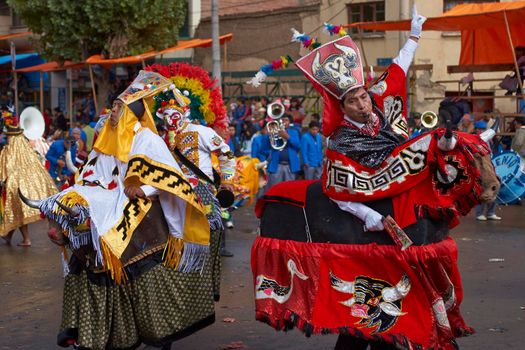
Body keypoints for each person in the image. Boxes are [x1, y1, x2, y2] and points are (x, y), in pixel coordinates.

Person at [148, 63, 236, 259]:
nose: (171, 118)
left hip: (200, 194)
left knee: (202, 240)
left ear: (185, 111)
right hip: (170, 195)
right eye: (166, 113)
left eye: (175, 112)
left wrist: (228, 181)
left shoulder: (200, 132)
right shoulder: (157, 139)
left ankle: (202, 279)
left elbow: (226, 153)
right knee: (173, 238)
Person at [0, 109, 57, 246]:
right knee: (17, 215)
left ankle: (26, 239)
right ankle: (9, 236)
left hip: (14, 189)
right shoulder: (28, 152)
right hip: (25, 189)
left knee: (18, 214)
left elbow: (3, 172)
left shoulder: (7, 152)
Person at [267, 114, 301, 188]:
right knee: (275, 188)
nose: (284, 122)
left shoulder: (294, 132)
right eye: (282, 120)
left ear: (289, 122)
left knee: (289, 188)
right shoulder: (274, 132)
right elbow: (268, 146)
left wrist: (288, 137)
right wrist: (270, 135)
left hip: (290, 166)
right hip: (277, 165)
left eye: (286, 120)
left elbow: (298, 145)